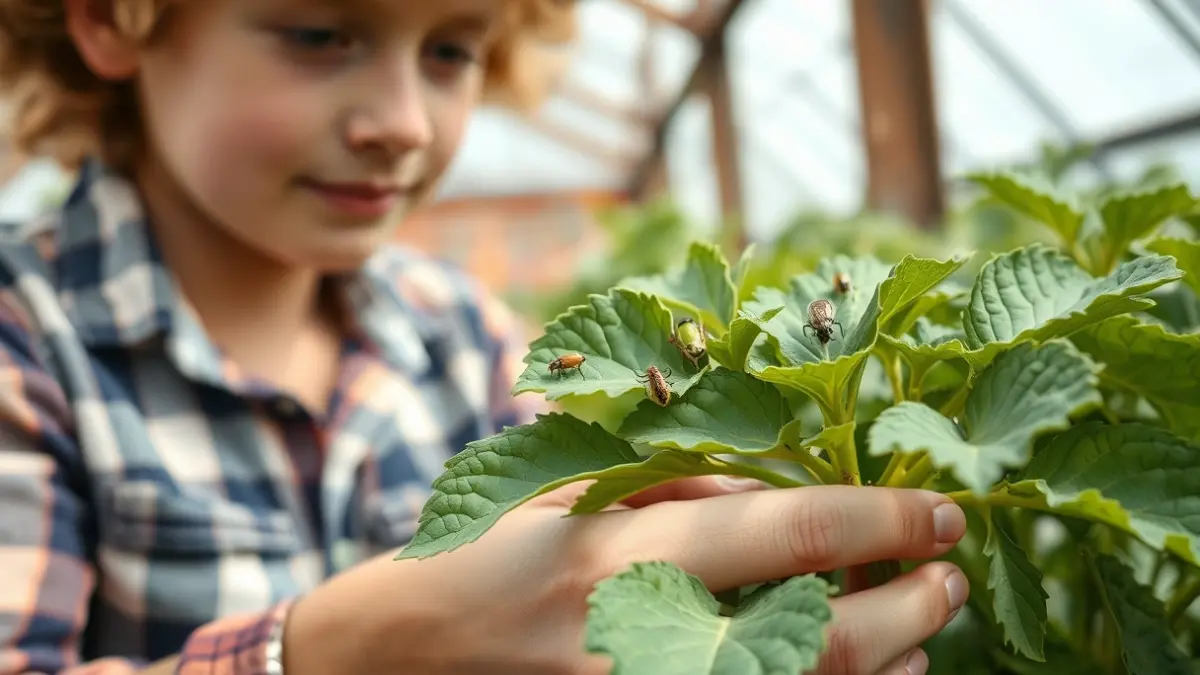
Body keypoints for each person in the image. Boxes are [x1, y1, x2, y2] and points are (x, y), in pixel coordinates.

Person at [0, 0, 971, 674]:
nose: (405, 123)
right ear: (108, 18)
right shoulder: (27, 339)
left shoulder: (457, 330)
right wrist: (318, 657)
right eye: (320, 33)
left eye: (451, 50)